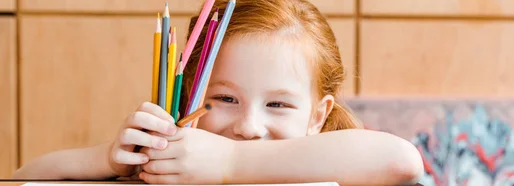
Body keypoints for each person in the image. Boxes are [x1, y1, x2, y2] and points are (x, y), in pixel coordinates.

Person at [13, 0, 424, 185]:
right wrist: (107, 160)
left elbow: (401, 161)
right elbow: (24, 177)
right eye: (225, 99)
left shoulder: (333, 164)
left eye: (278, 104)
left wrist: (229, 162)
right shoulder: (173, 166)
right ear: (189, 95)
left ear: (317, 116)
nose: (248, 127)